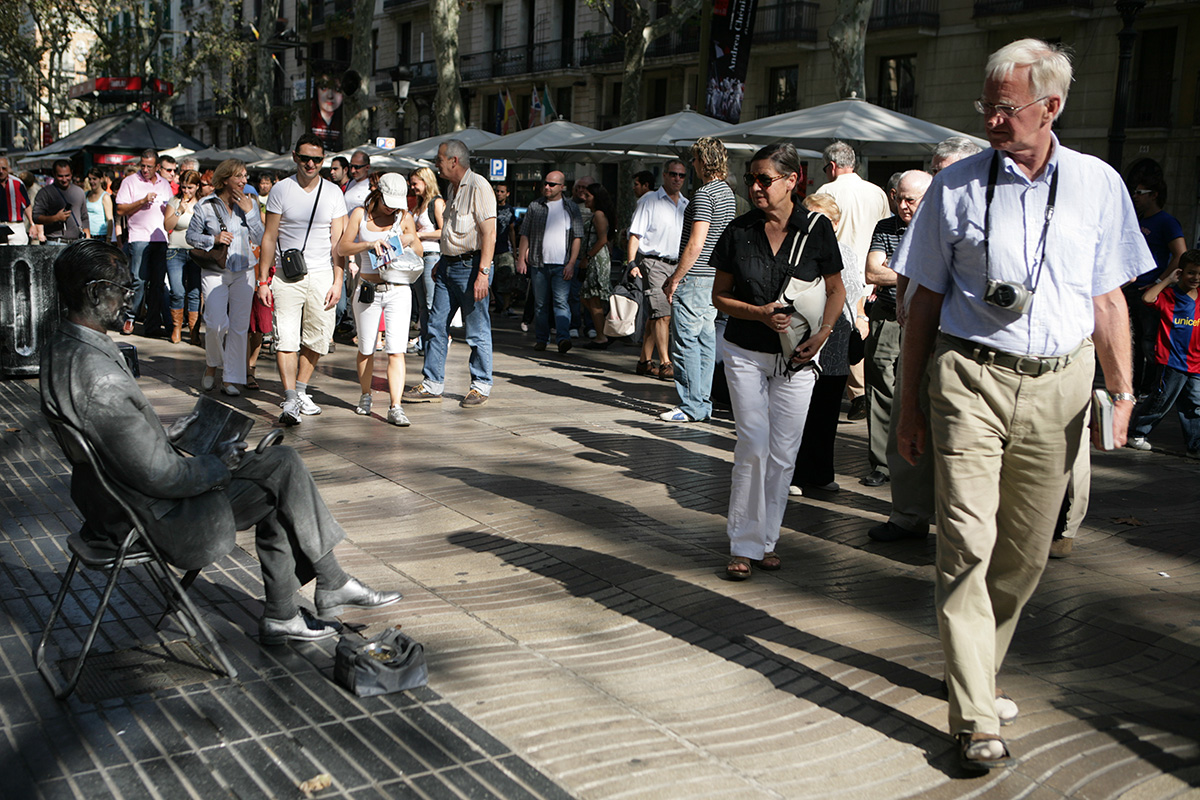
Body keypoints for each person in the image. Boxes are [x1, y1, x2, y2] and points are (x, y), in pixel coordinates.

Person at [892, 39, 1152, 771]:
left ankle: (978, 657)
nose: (992, 121)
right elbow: (921, 304)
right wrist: (909, 405)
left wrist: (1122, 390)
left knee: (1024, 552)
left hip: (1061, 383)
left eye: (1004, 109)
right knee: (966, 543)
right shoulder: (958, 187)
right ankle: (975, 715)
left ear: (1051, 107)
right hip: (968, 376)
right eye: (987, 107)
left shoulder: (1099, 184)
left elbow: (1108, 299)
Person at [41, 239, 400, 644]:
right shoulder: (99, 377)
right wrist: (217, 466)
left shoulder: (61, 346)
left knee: (279, 472)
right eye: (123, 288)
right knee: (280, 472)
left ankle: (304, 600)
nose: (130, 296)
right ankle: (318, 588)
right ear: (93, 292)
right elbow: (161, 475)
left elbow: (117, 441)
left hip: (113, 499)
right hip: (152, 515)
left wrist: (164, 435)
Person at [712, 142, 845, 581]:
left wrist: (823, 335)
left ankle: (768, 539)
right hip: (745, 351)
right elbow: (720, 297)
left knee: (784, 453)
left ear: (792, 181)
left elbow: (836, 289)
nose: (754, 187)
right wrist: (758, 313)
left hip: (799, 357)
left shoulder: (818, 229)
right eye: (750, 178)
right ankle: (743, 544)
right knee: (753, 444)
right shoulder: (738, 231)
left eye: (764, 179)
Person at [870, 139, 981, 544]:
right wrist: (902, 301)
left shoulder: (981, 207)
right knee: (907, 410)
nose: (938, 176)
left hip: (964, 339)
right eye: (934, 168)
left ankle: (961, 526)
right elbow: (905, 265)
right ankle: (908, 515)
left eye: (943, 168)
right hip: (922, 332)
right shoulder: (929, 209)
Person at [257, 134, 349, 425]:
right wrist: (262, 280)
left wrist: (338, 280)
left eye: (317, 159)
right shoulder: (281, 190)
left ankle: (301, 389)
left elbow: (339, 242)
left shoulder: (333, 192)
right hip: (287, 274)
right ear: (294, 156)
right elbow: (269, 237)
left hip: (323, 274)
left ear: (324, 161)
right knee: (286, 337)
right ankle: (289, 397)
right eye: (305, 158)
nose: (310, 164)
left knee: (318, 337)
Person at [402, 139, 497, 408]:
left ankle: (480, 385)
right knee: (435, 324)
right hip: (448, 265)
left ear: (454, 161)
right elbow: (452, 230)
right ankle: (432, 383)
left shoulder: (479, 186)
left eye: (440, 159)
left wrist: (483, 273)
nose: (437, 163)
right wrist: (442, 260)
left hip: (471, 266)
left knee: (477, 330)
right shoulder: (452, 188)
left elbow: (489, 233)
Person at [860, 170, 933, 488]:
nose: (902, 205)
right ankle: (881, 462)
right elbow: (872, 272)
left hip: (928, 320)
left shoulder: (935, 230)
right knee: (880, 387)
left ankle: (919, 461)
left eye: (910, 199)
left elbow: (936, 275)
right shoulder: (885, 227)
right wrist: (916, 271)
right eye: (898, 198)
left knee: (924, 390)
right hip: (888, 315)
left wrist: (898, 267)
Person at [660, 137, 737, 423]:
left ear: (703, 161)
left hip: (696, 278)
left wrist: (675, 278)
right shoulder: (727, 193)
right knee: (705, 342)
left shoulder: (704, 195)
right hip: (714, 279)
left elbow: (697, 242)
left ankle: (692, 405)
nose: (691, 165)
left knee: (686, 344)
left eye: (693, 160)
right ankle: (701, 403)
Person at [790, 193, 864, 494]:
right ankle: (794, 474)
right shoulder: (796, 250)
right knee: (799, 411)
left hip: (835, 339)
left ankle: (821, 473)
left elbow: (854, 291)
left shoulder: (845, 253)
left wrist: (861, 318)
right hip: (804, 337)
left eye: (822, 219)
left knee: (827, 410)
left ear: (834, 223)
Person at [813, 141, 890, 421]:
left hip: (836, 273)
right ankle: (861, 394)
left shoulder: (826, 191)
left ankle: (854, 393)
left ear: (832, 166)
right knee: (860, 331)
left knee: (836, 331)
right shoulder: (877, 193)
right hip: (870, 273)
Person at [338, 174, 422, 426]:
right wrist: (368, 244)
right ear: (377, 192)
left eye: (396, 203)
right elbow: (342, 248)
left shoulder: (403, 217)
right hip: (367, 288)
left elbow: (418, 250)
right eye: (387, 201)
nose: (391, 207)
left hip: (398, 288)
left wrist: (408, 239)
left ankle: (395, 406)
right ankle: (365, 396)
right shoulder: (359, 215)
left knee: (396, 350)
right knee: (366, 348)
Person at [187, 160, 263, 397]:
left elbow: (261, 237)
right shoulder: (205, 205)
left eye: (245, 176)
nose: (244, 181)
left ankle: (230, 378)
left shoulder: (251, 203)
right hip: (215, 270)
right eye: (239, 176)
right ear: (225, 179)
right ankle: (212, 365)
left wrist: (251, 213)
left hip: (244, 271)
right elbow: (190, 236)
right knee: (215, 323)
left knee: (239, 328)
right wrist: (214, 239)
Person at [1127, 250, 1200, 457]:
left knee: (1194, 405)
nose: (1195, 278)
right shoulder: (1169, 296)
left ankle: (1195, 445)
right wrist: (1167, 280)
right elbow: (1148, 298)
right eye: (1191, 273)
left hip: (1196, 363)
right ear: (1180, 272)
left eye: (1199, 274)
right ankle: (1137, 432)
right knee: (1161, 400)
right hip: (1172, 361)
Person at [1125, 160, 1186, 398]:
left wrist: (1159, 282)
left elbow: (1181, 254)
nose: (1135, 196)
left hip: (1150, 292)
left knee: (1148, 343)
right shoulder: (1139, 220)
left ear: (1155, 195)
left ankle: (1149, 389)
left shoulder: (1167, 222)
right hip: (1132, 288)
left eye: (1140, 192)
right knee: (1132, 342)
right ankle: (1132, 387)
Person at [628, 160, 688, 380]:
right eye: (673, 174)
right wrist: (631, 262)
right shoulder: (649, 200)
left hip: (678, 265)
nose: (677, 179)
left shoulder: (686, 204)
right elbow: (635, 234)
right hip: (653, 262)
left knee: (656, 316)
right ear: (664, 175)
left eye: (681, 175)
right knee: (662, 313)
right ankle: (665, 362)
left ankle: (644, 361)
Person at [516, 170, 583, 354]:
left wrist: (571, 263)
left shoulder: (570, 208)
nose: (547, 187)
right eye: (545, 183)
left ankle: (563, 339)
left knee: (561, 302)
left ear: (562, 187)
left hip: (562, 264)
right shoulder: (535, 206)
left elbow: (577, 237)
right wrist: (521, 258)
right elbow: (525, 234)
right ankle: (542, 339)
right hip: (538, 263)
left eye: (552, 184)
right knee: (540, 304)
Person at [115, 150, 171, 337]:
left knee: (157, 284)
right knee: (138, 281)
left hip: (161, 239)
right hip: (139, 238)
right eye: (143, 165)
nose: (145, 169)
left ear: (157, 167)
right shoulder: (130, 181)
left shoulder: (165, 184)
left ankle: (152, 324)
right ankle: (129, 318)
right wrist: (141, 201)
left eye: (149, 166)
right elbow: (121, 209)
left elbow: (170, 209)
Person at [163, 170, 203, 343]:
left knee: (195, 292)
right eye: (184, 187)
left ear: (197, 187)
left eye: (191, 187)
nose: (187, 191)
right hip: (175, 251)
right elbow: (167, 225)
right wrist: (179, 210)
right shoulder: (175, 201)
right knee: (177, 291)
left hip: (195, 252)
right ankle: (177, 328)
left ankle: (194, 331)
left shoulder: (202, 203)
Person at [409, 166, 444, 354]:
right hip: (418, 257)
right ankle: (424, 342)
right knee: (422, 305)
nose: (412, 187)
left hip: (432, 256)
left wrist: (422, 235)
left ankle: (434, 342)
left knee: (431, 304)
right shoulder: (419, 204)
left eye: (415, 183)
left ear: (425, 181)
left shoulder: (436, 203)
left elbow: (444, 231)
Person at [579, 183, 615, 349]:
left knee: (593, 298)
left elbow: (602, 240)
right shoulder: (597, 214)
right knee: (588, 297)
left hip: (596, 259)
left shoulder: (599, 215)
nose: (584, 198)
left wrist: (587, 257)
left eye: (588, 196)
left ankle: (601, 335)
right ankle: (603, 330)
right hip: (596, 258)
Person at [33, 159, 90, 244]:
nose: (64, 179)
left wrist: (87, 237)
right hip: (55, 241)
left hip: (77, 242)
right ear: (54, 174)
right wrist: (56, 218)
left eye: (67, 176)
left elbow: (84, 217)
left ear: (72, 173)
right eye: (60, 176)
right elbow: (36, 217)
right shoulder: (45, 193)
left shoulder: (79, 192)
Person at [491, 182, 519, 316]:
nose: (499, 194)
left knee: (507, 278)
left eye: (502, 191)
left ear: (507, 194)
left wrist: (514, 250)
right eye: (497, 191)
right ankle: (498, 304)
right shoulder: (490, 208)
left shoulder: (510, 210)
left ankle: (506, 307)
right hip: (491, 249)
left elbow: (512, 230)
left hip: (504, 248)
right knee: (493, 280)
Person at [0, 156, 32, 245]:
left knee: (18, 255)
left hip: (16, 226)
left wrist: (32, 224)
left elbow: (27, 205)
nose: (1, 171)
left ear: (8, 168)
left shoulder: (17, 183)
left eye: (4, 168)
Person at [84, 168, 114, 245]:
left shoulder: (105, 196)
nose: (91, 182)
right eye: (90, 179)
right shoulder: (86, 194)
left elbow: (110, 220)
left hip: (101, 236)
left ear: (100, 179)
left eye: (94, 179)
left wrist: (108, 239)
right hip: (87, 236)